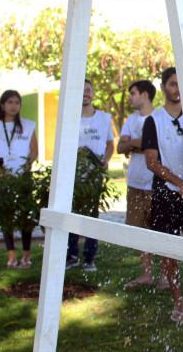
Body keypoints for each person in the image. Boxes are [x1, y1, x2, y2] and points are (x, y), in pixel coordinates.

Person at [142, 67, 183, 324]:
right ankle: (178, 301)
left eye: (181, 84)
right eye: (173, 84)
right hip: (167, 192)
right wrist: (179, 183)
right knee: (169, 251)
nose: (178, 89)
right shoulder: (153, 121)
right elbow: (152, 162)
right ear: (163, 87)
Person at [118, 79, 167, 289]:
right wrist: (140, 142)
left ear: (145, 95)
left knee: (162, 230)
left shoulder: (158, 118)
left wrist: (135, 142)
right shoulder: (130, 119)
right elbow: (121, 147)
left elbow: (156, 146)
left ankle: (165, 276)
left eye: (133, 93)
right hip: (135, 182)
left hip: (155, 184)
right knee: (140, 230)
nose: (130, 97)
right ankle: (146, 274)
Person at [0, 89, 38, 268]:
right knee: (6, 216)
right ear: (2, 105)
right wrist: (1, 174)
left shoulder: (29, 125)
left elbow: (34, 151)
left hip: (23, 177)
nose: (13, 106)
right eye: (10, 102)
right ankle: (11, 256)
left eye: (17, 102)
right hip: (3, 176)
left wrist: (27, 166)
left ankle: (26, 255)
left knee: (25, 215)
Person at [66, 80, 114, 272]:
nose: (85, 94)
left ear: (93, 93)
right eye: (81, 90)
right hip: (75, 174)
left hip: (95, 173)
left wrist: (105, 161)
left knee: (92, 214)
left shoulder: (103, 118)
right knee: (72, 214)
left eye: (88, 90)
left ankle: (89, 257)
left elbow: (110, 144)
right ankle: (72, 255)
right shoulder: (70, 118)